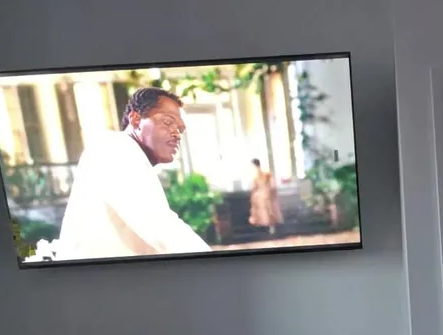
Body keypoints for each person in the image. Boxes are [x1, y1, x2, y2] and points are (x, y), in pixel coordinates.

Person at [56, 87, 211, 260]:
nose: (177, 134)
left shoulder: (129, 155)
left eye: (180, 130)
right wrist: (210, 260)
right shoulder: (114, 148)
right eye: (168, 122)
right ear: (136, 119)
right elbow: (156, 223)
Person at [248, 158, 283, 235]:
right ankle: (268, 228)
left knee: (268, 211)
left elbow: (272, 185)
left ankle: (270, 228)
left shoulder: (264, 174)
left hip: (264, 195)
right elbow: (255, 187)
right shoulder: (260, 175)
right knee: (267, 211)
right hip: (264, 195)